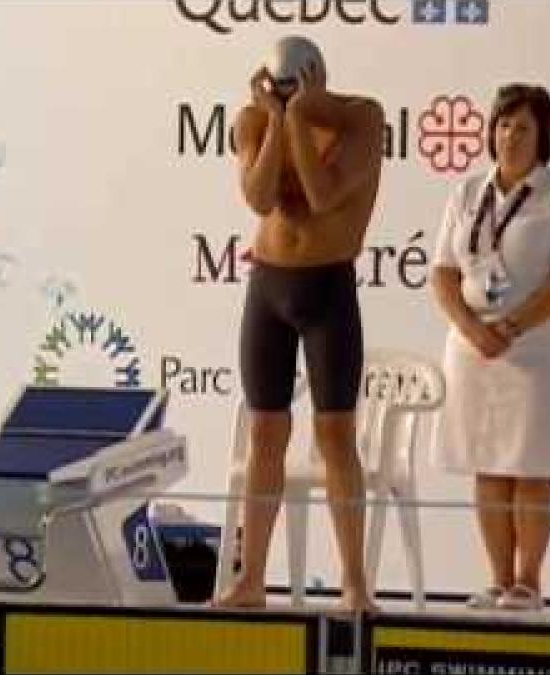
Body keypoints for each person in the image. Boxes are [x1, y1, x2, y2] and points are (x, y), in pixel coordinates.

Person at [213, 35, 385, 611]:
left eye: (294, 89)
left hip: (328, 288)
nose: (283, 99)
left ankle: (356, 585)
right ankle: (252, 581)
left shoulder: (362, 119)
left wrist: (303, 118)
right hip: (269, 288)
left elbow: (318, 194)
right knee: (266, 432)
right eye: (277, 90)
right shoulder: (253, 121)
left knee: (336, 437)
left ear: (315, 78)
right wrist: (277, 122)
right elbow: (260, 199)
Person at [430, 84, 550, 611]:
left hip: (538, 352)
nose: (510, 135)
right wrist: (471, 327)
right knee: (489, 465)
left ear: (543, 135)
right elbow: (443, 273)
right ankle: (499, 578)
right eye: (503, 124)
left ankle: (529, 579)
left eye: (523, 127)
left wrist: (513, 327)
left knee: (530, 465)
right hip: (474, 350)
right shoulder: (466, 192)